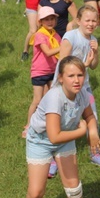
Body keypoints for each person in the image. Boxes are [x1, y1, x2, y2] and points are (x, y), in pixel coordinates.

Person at [20, 56, 100, 198]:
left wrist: (93, 131)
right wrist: (82, 132)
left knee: (74, 187)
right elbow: (54, 136)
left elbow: (89, 115)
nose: (76, 80)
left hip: (64, 138)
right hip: (41, 141)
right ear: (61, 78)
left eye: (80, 75)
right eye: (71, 75)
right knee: (35, 192)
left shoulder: (81, 94)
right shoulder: (55, 97)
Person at [53, 6, 100, 170]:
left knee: (93, 118)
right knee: (59, 122)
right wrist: (82, 67)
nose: (91, 24)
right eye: (87, 20)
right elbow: (63, 63)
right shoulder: (70, 36)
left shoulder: (93, 39)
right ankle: (52, 157)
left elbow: (93, 66)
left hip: (84, 87)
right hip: (63, 88)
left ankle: (95, 153)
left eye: (94, 20)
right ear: (78, 20)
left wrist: (96, 52)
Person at [23, 7, 61, 138]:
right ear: (40, 21)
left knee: (50, 99)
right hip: (39, 72)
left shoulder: (55, 35)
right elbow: (48, 52)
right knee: (37, 99)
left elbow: (60, 54)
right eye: (46, 19)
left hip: (52, 71)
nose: (50, 22)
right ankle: (28, 125)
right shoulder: (40, 35)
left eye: (52, 19)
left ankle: (47, 124)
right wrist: (64, 46)